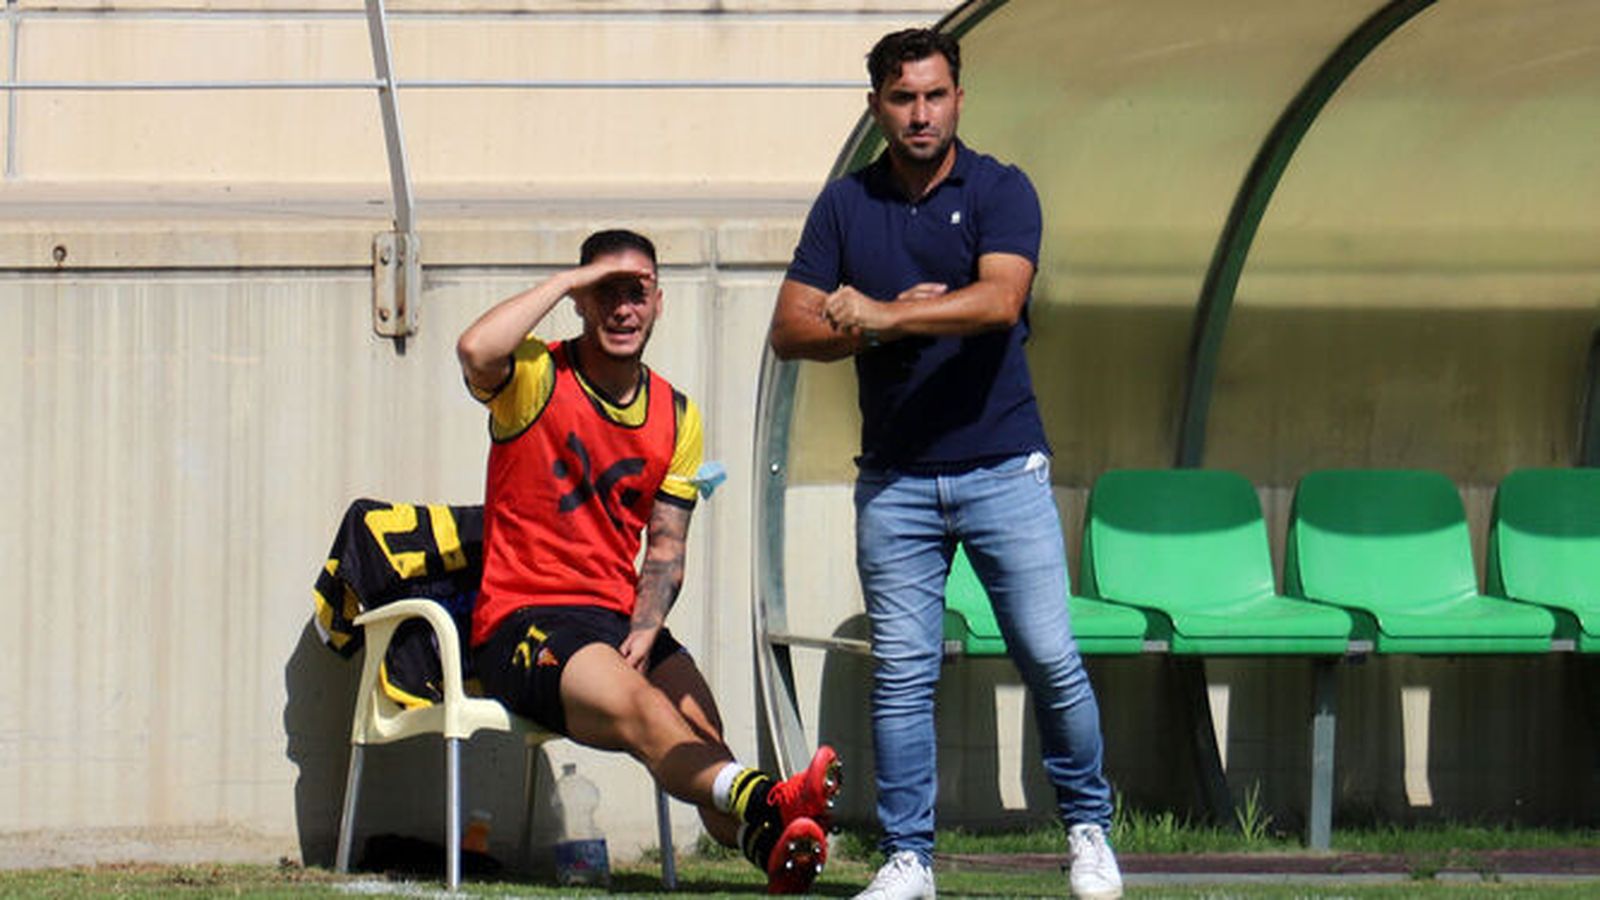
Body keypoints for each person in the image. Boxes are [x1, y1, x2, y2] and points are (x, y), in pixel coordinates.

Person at [767, 29, 1123, 900]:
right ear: (876, 107)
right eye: (902, 99)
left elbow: (1000, 300)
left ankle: (1087, 831)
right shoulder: (846, 206)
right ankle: (908, 859)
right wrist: (875, 318)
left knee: (1047, 654)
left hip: (1004, 467)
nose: (920, 114)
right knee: (903, 672)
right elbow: (790, 327)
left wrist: (883, 315)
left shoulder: (1000, 189)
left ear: (959, 97)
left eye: (934, 95)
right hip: (894, 481)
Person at [458, 228, 841, 893]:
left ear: (658, 302)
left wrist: (645, 624)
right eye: (603, 292)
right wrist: (562, 283)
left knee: (700, 728)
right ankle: (769, 801)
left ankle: (770, 845)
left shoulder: (675, 414)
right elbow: (473, 348)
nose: (622, 310)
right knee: (645, 712)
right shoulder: (535, 375)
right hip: (525, 621)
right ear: (581, 301)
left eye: (635, 293)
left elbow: (666, 546)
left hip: (615, 618)